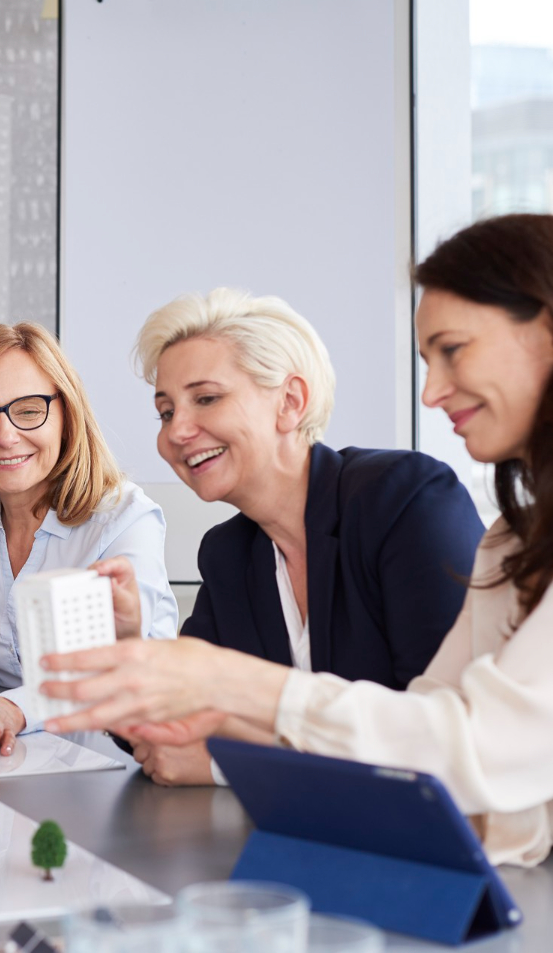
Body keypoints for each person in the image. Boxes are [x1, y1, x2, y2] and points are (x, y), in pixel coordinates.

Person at [41, 215, 553, 878]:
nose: (432, 392)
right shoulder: (512, 537)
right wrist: (139, 660)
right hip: (548, 872)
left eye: (453, 350)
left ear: (552, 333)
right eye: (164, 409)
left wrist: (233, 694)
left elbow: (484, 746)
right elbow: (419, 741)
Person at [115, 288, 485, 784]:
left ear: (290, 402)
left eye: (206, 398)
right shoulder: (229, 555)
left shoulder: (404, 500)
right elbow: (172, 734)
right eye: (165, 411)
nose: (176, 431)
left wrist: (231, 766)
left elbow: (440, 736)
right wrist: (123, 643)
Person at [0, 323, 177, 758]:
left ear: (66, 415)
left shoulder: (126, 518)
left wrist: (15, 707)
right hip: (13, 763)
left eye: (29, 410)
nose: (6, 436)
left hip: (118, 765)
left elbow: (119, 666)